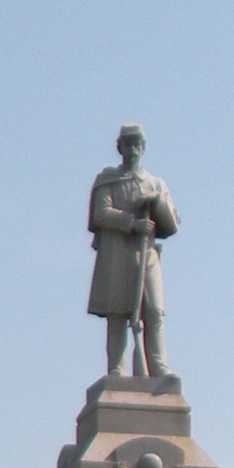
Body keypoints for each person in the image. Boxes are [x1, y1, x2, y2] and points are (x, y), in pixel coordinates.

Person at [87, 123, 180, 377]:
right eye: (127, 144)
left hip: (146, 255)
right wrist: (132, 223)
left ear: (143, 147)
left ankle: (158, 367)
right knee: (117, 313)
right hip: (117, 255)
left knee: (154, 312)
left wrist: (156, 202)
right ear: (120, 148)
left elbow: (171, 224)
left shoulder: (155, 184)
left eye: (137, 143)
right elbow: (101, 213)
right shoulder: (108, 180)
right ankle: (117, 368)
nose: (133, 148)